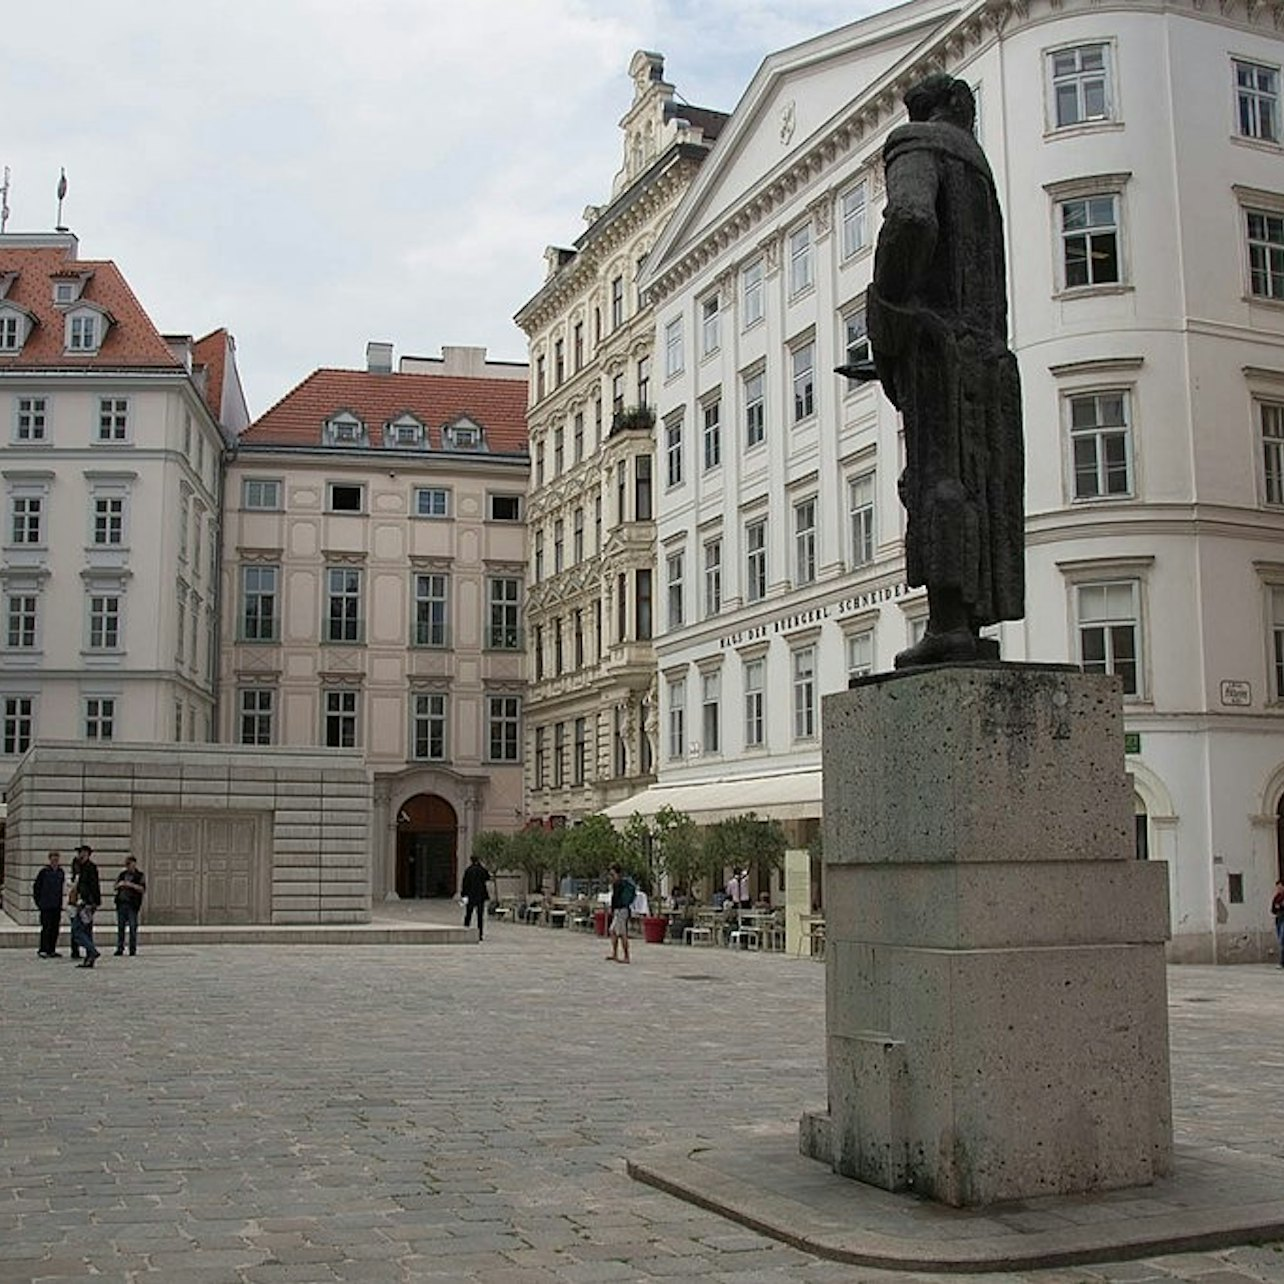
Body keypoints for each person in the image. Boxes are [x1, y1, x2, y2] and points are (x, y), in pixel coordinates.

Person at [862, 73, 1025, 668]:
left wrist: (888, 307)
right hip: (987, 352)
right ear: (965, 112)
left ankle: (949, 619)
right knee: (981, 477)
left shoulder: (916, 146)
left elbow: (910, 218)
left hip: (938, 343)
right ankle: (969, 615)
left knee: (937, 476)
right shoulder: (978, 170)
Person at [69, 843, 102, 969]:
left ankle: (92, 951)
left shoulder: (90, 867)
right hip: (84, 902)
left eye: (81, 852)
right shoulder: (80, 867)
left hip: (86, 903)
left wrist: (90, 902)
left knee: (77, 930)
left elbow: (93, 886)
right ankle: (89, 958)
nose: (79, 854)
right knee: (87, 931)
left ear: (87, 853)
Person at [32, 850, 66, 958]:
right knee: (46, 927)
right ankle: (43, 949)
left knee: (55, 928)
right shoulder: (44, 872)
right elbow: (36, 887)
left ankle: (52, 949)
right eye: (53, 857)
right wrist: (39, 902)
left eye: (56, 857)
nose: (55, 859)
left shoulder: (61, 872)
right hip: (46, 905)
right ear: (49, 858)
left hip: (56, 905)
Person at [113, 856, 146, 956]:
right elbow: (115, 886)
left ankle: (132, 949)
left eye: (131, 865)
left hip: (132, 905)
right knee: (121, 927)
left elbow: (142, 889)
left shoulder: (140, 875)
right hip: (121, 903)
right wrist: (120, 884)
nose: (130, 867)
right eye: (128, 865)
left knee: (132, 927)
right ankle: (120, 948)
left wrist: (130, 885)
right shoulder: (122, 874)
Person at [606, 864, 635, 964]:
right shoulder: (616, 884)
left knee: (622, 933)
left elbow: (616, 899)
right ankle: (614, 953)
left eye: (611, 873)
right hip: (618, 910)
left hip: (621, 910)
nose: (610, 876)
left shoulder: (619, 884)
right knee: (612, 930)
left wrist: (613, 908)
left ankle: (626, 956)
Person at [460, 854, 491, 942]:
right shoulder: (481, 870)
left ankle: (465, 930)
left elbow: (464, 883)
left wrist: (463, 895)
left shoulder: (468, 870)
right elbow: (487, 877)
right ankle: (480, 934)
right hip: (480, 896)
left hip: (470, 896)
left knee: (468, 915)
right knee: (480, 916)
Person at [67, 849, 85, 959]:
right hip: (73, 904)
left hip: (80, 904)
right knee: (75, 928)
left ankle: (76, 949)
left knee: (78, 927)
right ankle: (75, 950)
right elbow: (72, 888)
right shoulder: (70, 877)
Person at [1272, 880, 1284, 968]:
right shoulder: (1277, 897)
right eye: (1277, 887)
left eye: (1280, 887)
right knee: (1281, 940)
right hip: (1279, 919)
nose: (1279, 889)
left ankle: (1282, 962)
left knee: (1283, 939)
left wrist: (1280, 906)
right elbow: (1273, 909)